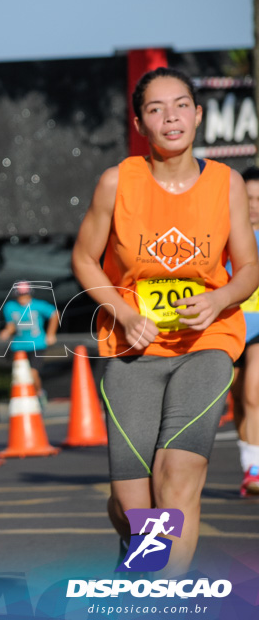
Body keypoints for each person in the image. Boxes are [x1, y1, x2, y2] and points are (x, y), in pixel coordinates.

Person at [71, 68, 258, 577]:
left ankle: (162, 596)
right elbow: (85, 260)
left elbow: (248, 270)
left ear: (198, 115)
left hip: (208, 342)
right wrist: (126, 314)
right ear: (139, 122)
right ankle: (141, 551)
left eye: (181, 105)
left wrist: (219, 298)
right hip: (133, 348)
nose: (171, 116)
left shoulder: (227, 184)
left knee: (178, 477)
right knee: (137, 512)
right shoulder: (117, 182)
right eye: (156, 108)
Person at [230, 166, 259, 496]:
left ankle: (256, 468)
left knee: (254, 391)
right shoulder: (227, 234)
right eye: (247, 197)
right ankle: (248, 462)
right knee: (238, 396)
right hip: (231, 324)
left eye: (258, 199)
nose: (253, 205)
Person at [0, 280, 59, 399]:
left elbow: (55, 314)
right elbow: (11, 326)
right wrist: (6, 331)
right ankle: (24, 397)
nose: (23, 298)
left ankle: (39, 394)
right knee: (19, 374)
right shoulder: (10, 307)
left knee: (33, 372)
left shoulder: (38, 305)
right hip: (19, 346)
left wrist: (51, 334)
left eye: (25, 294)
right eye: (20, 295)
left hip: (37, 344)